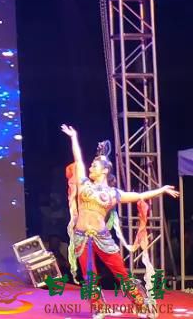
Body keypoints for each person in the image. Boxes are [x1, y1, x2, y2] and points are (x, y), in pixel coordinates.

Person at [61, 124, 178, 319]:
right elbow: (78, 160)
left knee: (121, 273)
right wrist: (74, 137)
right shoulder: (84, 184)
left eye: (95, 166)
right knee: (89, 277)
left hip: (102, 238)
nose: (90, 167)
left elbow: (139, 195)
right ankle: (99, 308)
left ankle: (141, 305)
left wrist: (162, 190)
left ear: (105, 170)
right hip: (81, 237)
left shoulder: (113, 194)